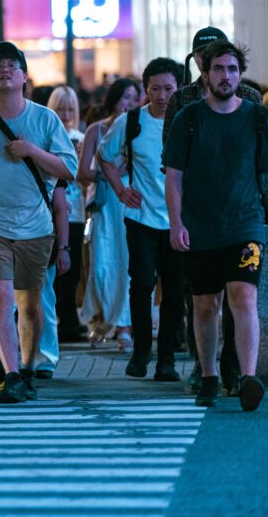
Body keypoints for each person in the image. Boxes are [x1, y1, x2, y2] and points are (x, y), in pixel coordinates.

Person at [0, 41, 77, 404]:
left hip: (36, 226)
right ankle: (9, 375)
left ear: (24, 76)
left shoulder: (44, 119)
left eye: (11, 64)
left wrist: (32, 151)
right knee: (1, 298)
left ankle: (28, 366)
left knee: (31, 304)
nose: (4, 69)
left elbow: (70, 169)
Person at [165, 40, 265, 411]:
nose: (227, 76)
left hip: (245, 224)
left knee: (244, 296)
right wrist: (176, 224)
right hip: (200, 226)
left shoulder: (256, 117)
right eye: (219, 69)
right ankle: (207, 376)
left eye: (233, 70)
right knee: (206, 305)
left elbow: (266, 171)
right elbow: (173, 176)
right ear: (204, 75)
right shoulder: (187, 119)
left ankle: (248, 376)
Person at [99, 58, 184, 381]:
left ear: (179, 88)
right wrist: (121, 190)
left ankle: (167, 359)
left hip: (178, 220)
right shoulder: (131, 120)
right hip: (140, 217)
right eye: (155, 89)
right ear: (145, 90)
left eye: (168, 89)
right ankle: (140, 353)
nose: (162, 96)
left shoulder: (186, 121)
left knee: (175, 290)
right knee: (142, 283)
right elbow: (105, 157)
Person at [78, 78, 140, 349]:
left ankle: (125, 325)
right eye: (126, 97)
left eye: (135, 98)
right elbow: (81, 173)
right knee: (101, 264)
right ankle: (100, 320)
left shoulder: (139, 128)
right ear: (114, 99)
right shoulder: (96, 129)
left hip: (129, 202)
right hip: (103, 204)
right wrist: (111, 172)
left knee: (127, 263)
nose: (131, 103)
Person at [47, 86, 87, 341]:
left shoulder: (80, 137)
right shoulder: (46, 135)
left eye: (70, 108)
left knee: (72, 270)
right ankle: (57, 319)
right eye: (61, 108)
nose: (66, 113)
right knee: (50, 269)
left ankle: (69, 318)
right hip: (48, 212)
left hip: (76, 212)